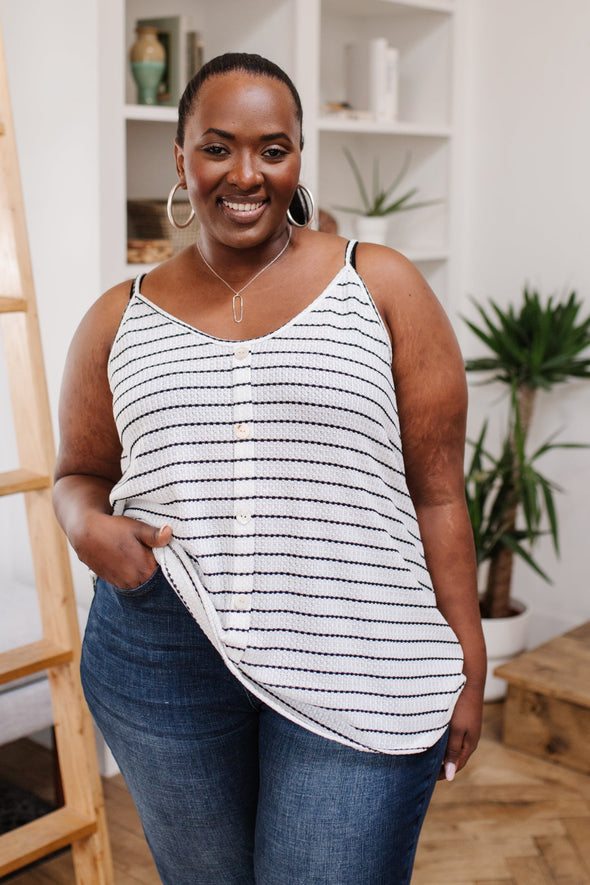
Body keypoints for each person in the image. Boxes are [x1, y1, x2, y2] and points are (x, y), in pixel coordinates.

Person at [53, 52, 486, 885]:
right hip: (163, 650)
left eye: (272, 148)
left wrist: (468, 659)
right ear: (181, 160)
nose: (244, 174)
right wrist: (87, 528)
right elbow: (79, 471)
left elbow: (438, 491)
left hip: (361, 655)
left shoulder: (380, 284)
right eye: (216, 148)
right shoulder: (119, 315)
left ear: (297, 158)